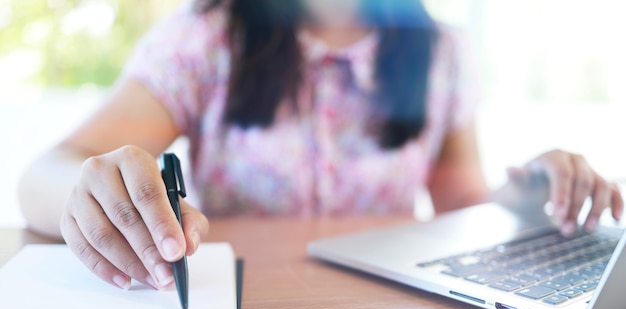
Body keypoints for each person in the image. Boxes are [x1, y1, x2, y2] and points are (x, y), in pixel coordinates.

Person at [18, 0, 623, 291]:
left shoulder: (441, 51)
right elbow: (44, 174)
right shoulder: (205, 40)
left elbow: (461, 208)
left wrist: (531, 194)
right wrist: (86, 193)